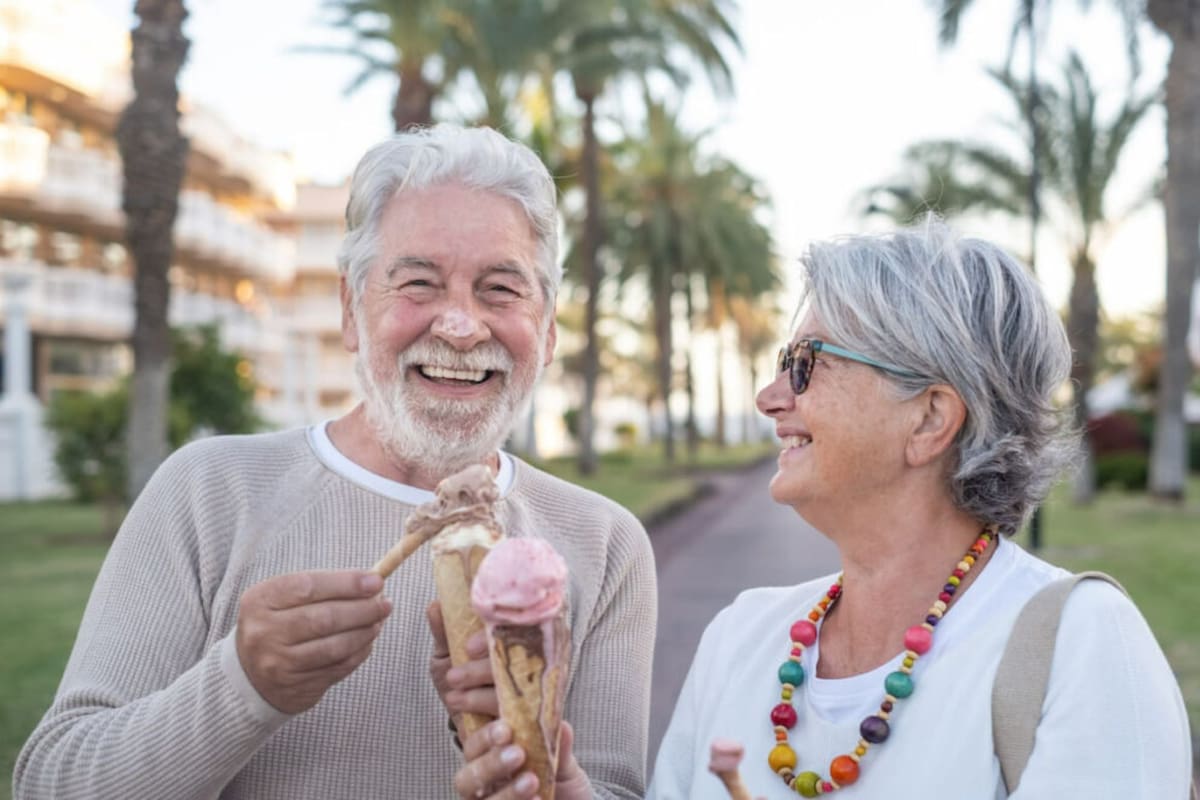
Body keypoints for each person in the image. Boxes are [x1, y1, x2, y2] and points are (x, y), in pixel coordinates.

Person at [14, 124, 656, 800]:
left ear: (548, 329)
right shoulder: (208, 492)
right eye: (418, 283)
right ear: (351, 310)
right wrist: (241, 684)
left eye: (500, 289)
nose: (461, 326)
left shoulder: (605, 545)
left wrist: (526, 760)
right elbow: (52, 781)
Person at [638, 219, 1192, 798]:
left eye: (806, 362)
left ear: (930, 419)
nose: (771, 397)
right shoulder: (740, 638)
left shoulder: (1081, 645)